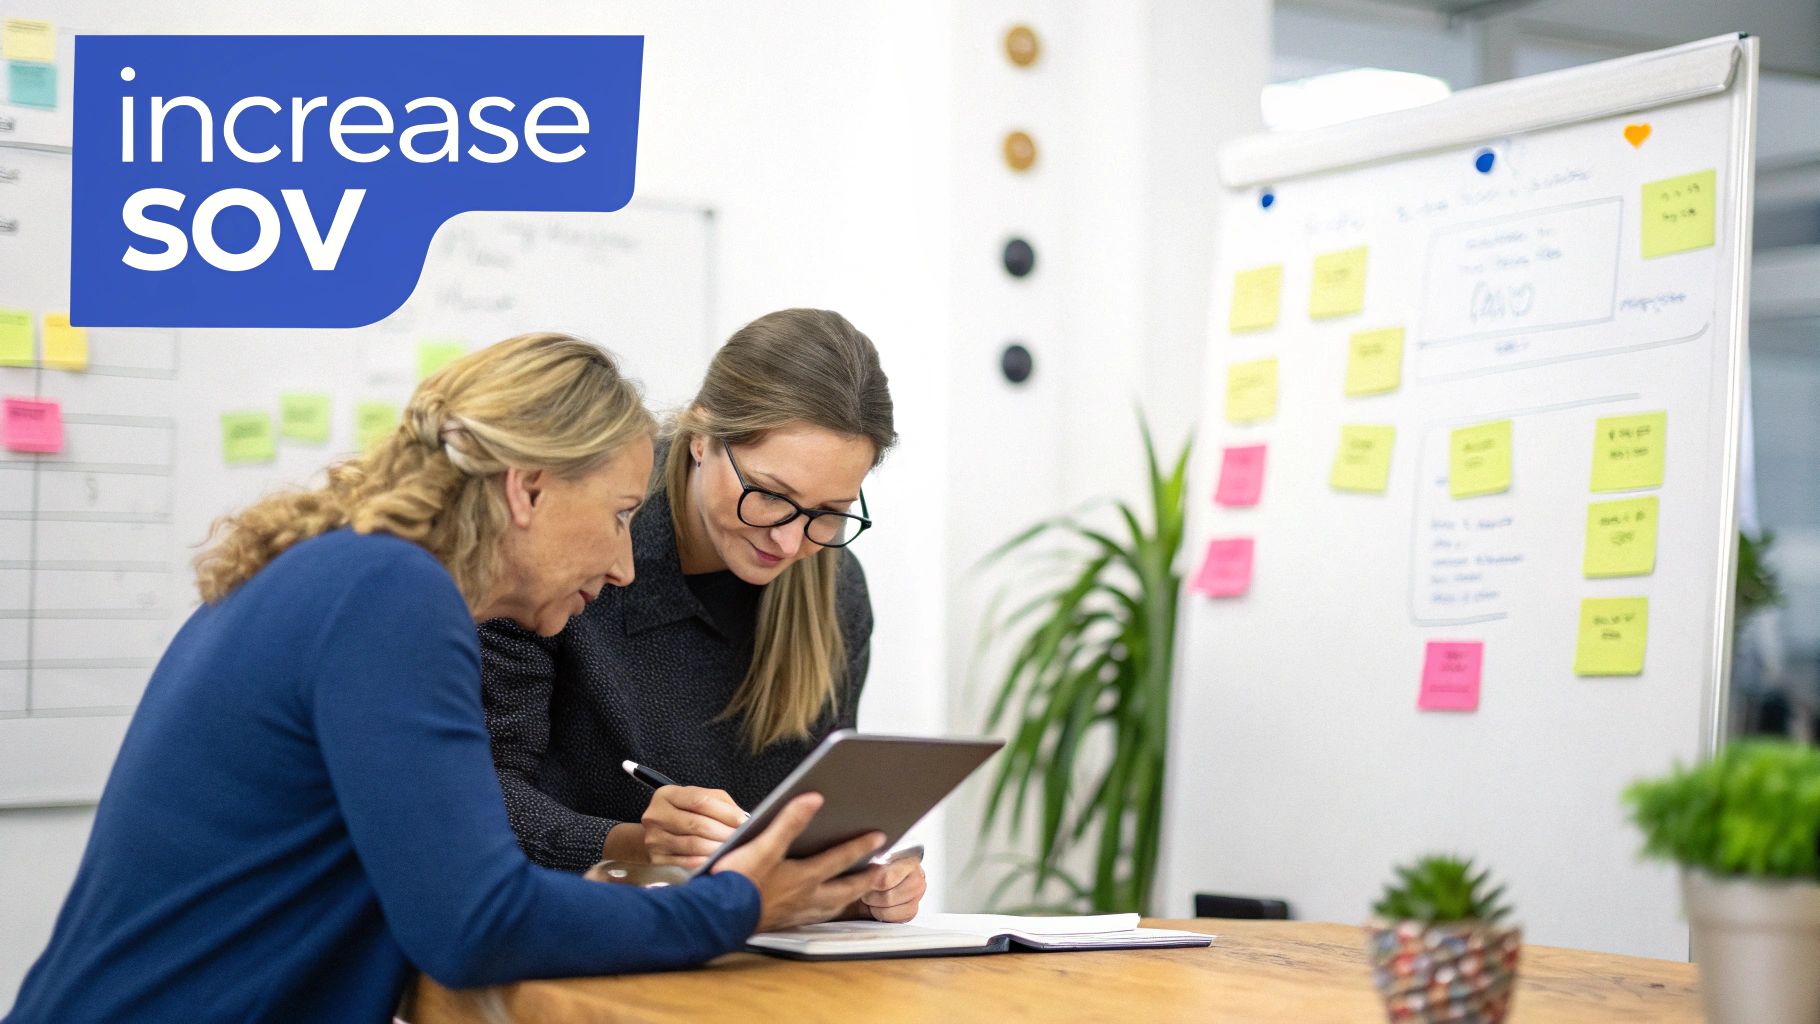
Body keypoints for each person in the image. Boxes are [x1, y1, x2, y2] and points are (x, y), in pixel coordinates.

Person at [4, 334, 888, 1024]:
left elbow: (456, 896)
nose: (626, 564)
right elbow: (476, 924)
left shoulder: (343, 573)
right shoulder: (392, 595)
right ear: (527, 489)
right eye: (621, 516)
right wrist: (733, 905)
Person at [482, 309, 926, 922]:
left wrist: (859, 879)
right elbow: (472, 798)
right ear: (702, 436)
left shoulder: (834, 588)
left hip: (753, 958)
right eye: (770, 494)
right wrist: (636, 845)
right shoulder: (573, 542)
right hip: (573, 931)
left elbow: (815, 818)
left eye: (829, 511)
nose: (792, 543)